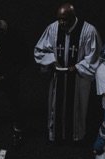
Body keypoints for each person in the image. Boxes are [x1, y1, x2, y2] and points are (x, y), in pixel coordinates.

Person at [34, 3, 101, 144]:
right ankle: (56, 135)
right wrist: (52, 61)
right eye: (59, 19)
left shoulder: (88, 31)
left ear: (73, 17)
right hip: (58, 76)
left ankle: (75, 136)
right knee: (55, 106)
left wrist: (77, 67)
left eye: (64, 19)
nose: (61, 23)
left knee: (77, 108)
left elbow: (94, 57)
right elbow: (40, 50)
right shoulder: (53, 28)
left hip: (78, 78)